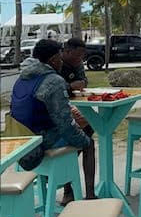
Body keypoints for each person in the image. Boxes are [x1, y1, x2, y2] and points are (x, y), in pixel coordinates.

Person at [10, 38, 91, 167]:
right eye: (60, 58)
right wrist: (84, 141)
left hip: (20, 140)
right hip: (39, 142)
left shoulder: (22, 78)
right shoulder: (53, 80)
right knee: (87, 140)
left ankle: (59, 176)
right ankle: (66, 179)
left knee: (77, 126)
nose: (61, 62)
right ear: (53, 60)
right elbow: (65, 123)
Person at [59, 37, 96, 205]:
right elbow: (53, 86)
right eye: (77, 55)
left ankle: (88, 193)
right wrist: (69, 86)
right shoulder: (54, 64)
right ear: (66, 51)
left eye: (82, 55)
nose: (80, 59)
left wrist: (81, 83)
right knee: (85, 139)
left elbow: (83, 80)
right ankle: (70, 190)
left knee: (89, 130)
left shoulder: (78, 63)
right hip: (56, 115)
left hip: (68, 107)